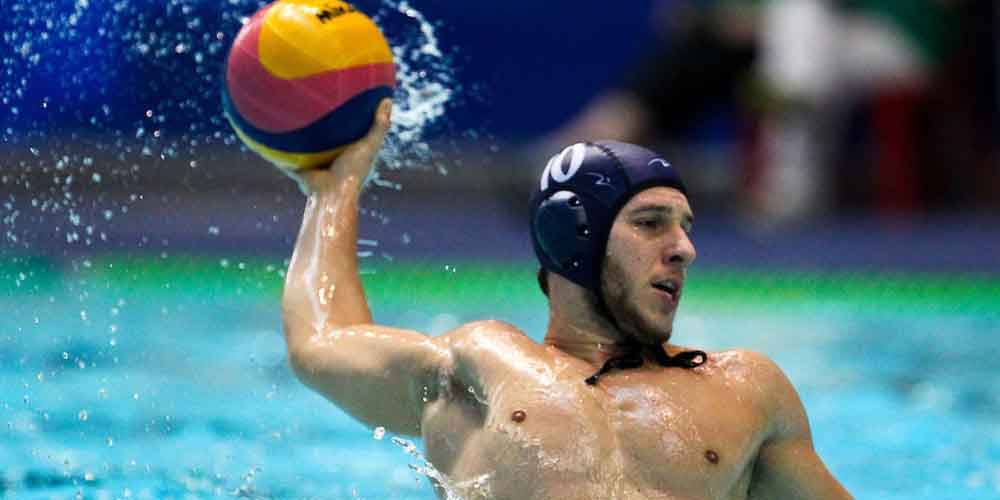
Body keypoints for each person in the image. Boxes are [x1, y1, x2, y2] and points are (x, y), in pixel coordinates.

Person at [281, 99, 853, 499]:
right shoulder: (480, 369)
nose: (684, 249)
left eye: (685, 227)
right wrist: (334, 190)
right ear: (573, 239)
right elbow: (320, 342)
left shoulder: (744, 390)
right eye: (650, 223)